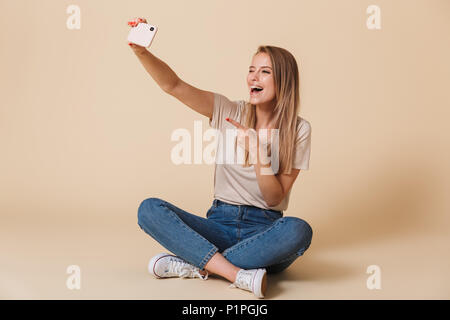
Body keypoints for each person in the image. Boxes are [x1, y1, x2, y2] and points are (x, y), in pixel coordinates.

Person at [128, 17, 313, 298]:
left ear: (284, 81)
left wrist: (259, 153)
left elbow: (274, 199)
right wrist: (141, 51)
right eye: (251, 70)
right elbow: (174, 86)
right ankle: (237, 274)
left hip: (263, 232)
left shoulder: (299, 129)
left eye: (264, 72)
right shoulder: (229, 111)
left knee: (298, 230)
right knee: (149, 209)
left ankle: (199, 262)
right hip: (218, 223)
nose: (253, 77)